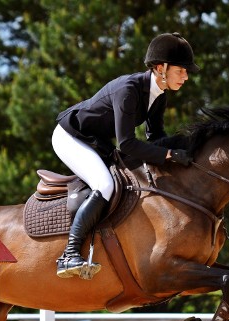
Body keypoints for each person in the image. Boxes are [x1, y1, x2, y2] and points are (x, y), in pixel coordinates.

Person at [52, 32, 200, 279]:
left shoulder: (159, 95)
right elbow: (128, 145)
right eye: (181, 70)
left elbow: (155, 138)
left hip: (95, 141)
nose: (186, 76)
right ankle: (69, 255)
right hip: (70, 136)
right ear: (161, 68)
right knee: (105, 184)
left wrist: (181, 149)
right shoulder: (128, 90)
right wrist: (170, 154)